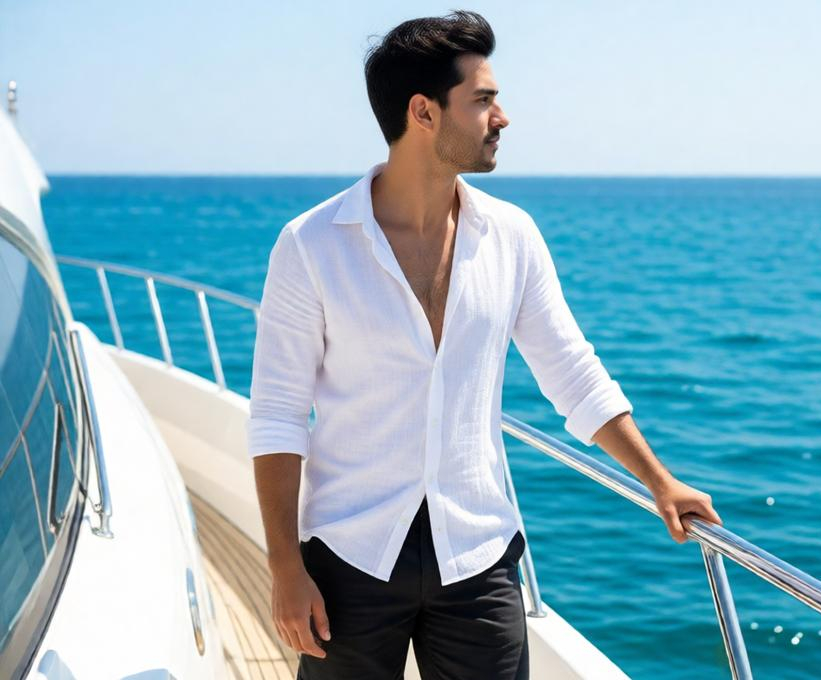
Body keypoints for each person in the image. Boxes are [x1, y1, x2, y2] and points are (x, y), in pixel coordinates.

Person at [247, 9, 723, 680]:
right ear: (424, 112)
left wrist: (659, 481)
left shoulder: (512, 236)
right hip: (349, 557)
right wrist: (284, 569)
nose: (502, 117)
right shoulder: (311, 244)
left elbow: (573, 374)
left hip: (477, 554)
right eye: (483, 100)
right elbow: (277, 415)